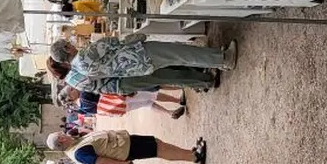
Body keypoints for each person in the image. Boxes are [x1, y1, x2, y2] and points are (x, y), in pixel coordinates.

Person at [65, 34, 239, 96]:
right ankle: (223, 59)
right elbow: (111, 43)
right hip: (136, 54)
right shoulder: (83, 57)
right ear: (67, 48)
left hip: (133, 70)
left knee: (177, 61)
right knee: (180, 54)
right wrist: (135, 38)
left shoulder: (78, 72)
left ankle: (217, 60)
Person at [47, 128, 208, 164]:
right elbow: (101, 162)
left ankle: (190, 152)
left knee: (157, 143)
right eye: (61, 134)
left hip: (124, 141)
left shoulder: (76, 143)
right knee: (158, 150)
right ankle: (193, 157)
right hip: (125, 149)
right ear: (61, 140)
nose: (64, 133)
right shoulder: (78, 153)